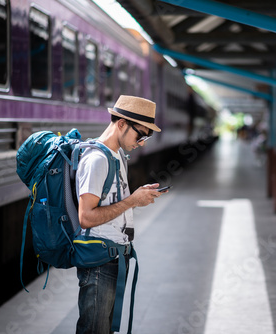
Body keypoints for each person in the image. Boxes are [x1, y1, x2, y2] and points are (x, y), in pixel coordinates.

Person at [75, 95, 165, 334]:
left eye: (147, 137)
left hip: (114, 258)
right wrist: (132, 201)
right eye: (141, 134)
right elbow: (86, 217)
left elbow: (116, 205)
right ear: (122, 124)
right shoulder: (96, 160)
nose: (143, 143)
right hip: (99, 261)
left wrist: (135, 200)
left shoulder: (116, 156)